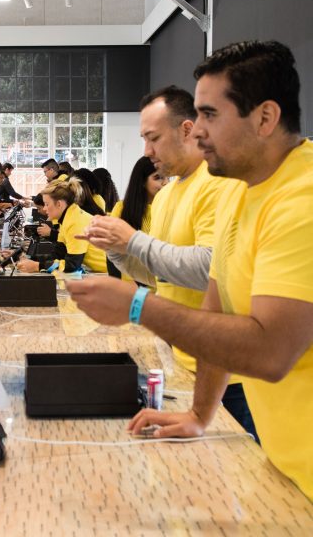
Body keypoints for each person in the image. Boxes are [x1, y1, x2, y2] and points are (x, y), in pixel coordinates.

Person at [68, 41, 313, 499]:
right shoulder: (240, 191)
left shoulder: (303, 199)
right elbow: (216, 311)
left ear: (265, 118)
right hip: (285, 464)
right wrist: (200, 415)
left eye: (209, 115)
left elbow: (271, 352)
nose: (196, 131)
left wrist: (138, 306)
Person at [78, 85, 256, 438]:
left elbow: (211, 269)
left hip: (228, 377)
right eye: (144, 139)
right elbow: (158, 273)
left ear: (187, 130)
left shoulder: (218, 185)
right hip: (182, 357)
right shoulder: (166, 194)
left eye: (153, 138)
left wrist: (133, 240)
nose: (147, 151)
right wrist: (115, 248)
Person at [17, 178, 107, 274]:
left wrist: (37, 266)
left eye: (47, 204)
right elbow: (58, 254)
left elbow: (72, 265)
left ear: (59, 204)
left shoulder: (75, 222)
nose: (45, 208)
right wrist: (29, 258)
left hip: (111, 271)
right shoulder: (68, 218)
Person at [107, 157, 166, 281]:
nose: (165, 183)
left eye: (167, 177)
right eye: (158, 177)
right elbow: (112, 253)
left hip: (161, 284)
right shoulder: (122, 208)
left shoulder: (168, 208)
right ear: (142, 182)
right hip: (129, 285)